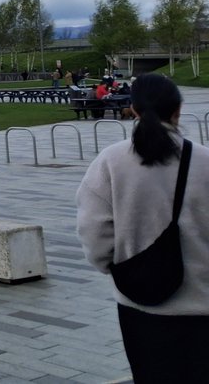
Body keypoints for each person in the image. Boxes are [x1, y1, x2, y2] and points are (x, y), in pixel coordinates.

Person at [76, 74, 209, 383]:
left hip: (141, 305)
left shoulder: (111, 161)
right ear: (178, 110)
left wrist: (117, 266)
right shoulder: (205, 161)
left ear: (133, 110)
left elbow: (94, 235)